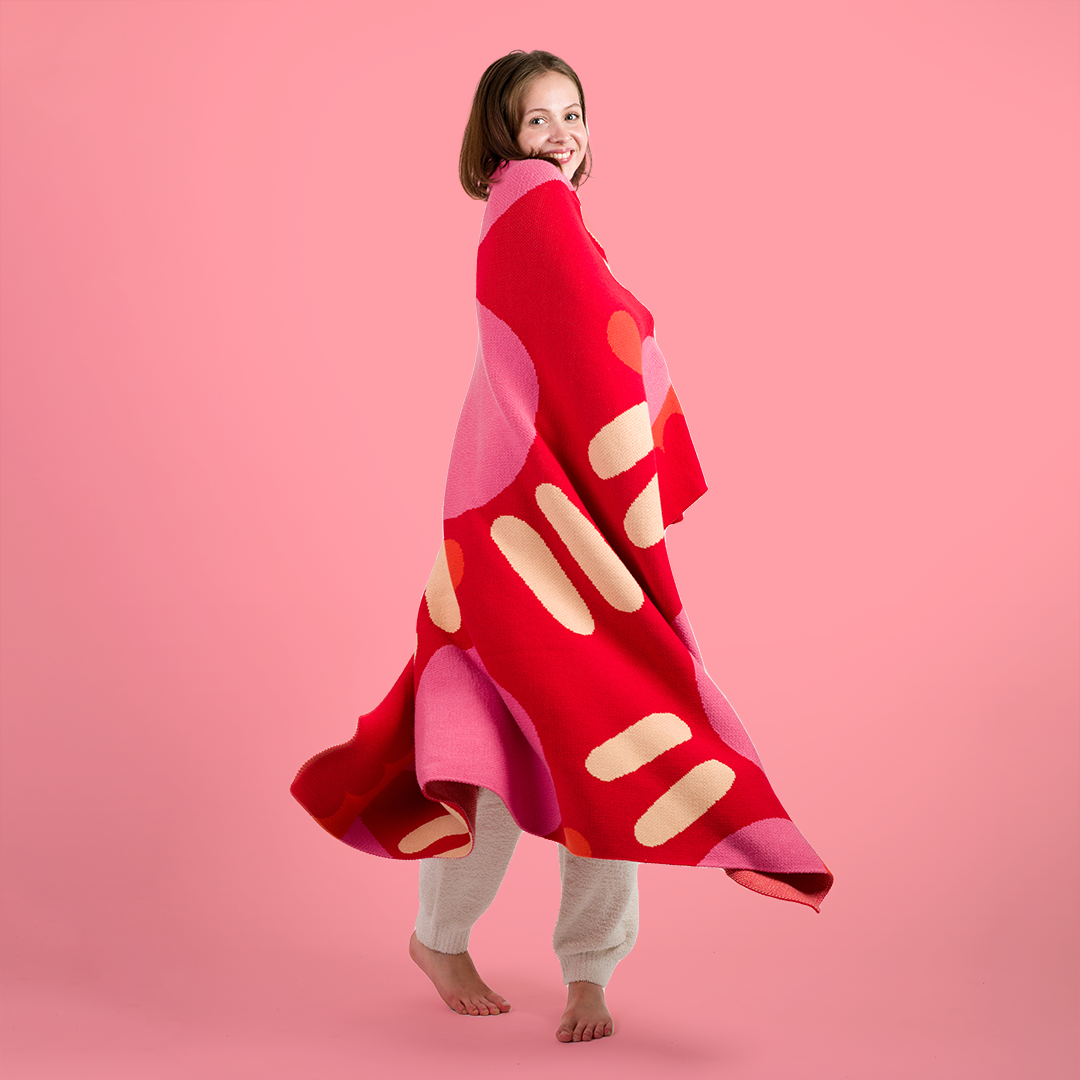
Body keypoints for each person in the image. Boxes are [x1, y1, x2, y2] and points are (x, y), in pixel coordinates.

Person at [290, 47, 831, 1048]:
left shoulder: (540, 213)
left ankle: (537, 958)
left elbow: (569, 353)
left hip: (537, 526)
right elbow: (600, 334)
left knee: (526, 742)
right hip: (532, 533)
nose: (562, 133)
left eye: (572, 113)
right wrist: (643, 342)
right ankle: (511, 952)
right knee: (592, 741)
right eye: (538, 119)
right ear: (501, 137)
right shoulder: (531, 204)